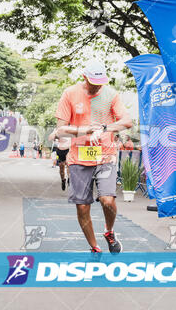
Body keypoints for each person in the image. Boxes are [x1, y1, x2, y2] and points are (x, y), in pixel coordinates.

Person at [54, 58, 132, 253]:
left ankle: (109, 231)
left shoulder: (111, 95)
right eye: (93, 83)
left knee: (108, 200)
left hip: (105, 155)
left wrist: (106, 127)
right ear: (84, 78)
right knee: (82, 207)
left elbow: (127, 121)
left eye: (100, 84)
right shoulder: (70, 94)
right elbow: (60, 130)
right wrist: (83, 130)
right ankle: (94, 246)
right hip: (79, 158)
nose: (97, 88)